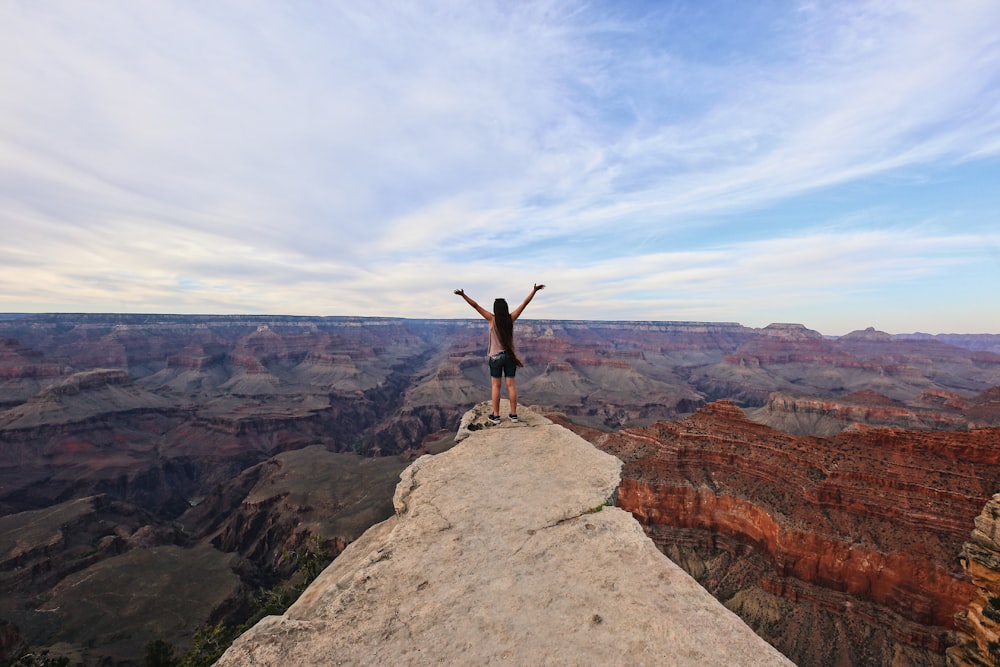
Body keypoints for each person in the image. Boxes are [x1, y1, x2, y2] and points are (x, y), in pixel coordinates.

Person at [454, 284, 545, 425]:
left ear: (495, 309)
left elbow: (476, 306)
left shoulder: (491, 319)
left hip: (495, 357)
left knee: (496, 386)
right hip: (509, 357)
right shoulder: (511, 318)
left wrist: (463, 295)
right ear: (506, 308)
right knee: (511, 386)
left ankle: (496, 416)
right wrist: (534, 291)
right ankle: (513, 415)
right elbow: (524, 303)